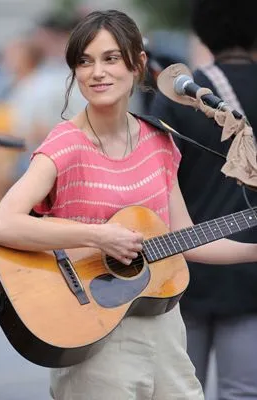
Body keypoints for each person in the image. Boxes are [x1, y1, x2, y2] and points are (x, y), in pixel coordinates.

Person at [0, 9, 257, 400]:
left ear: (138, 64)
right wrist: (100, 237)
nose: (97, 72)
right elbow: (3, 224)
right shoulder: (65, 145)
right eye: (85, 61)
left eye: (111, 58)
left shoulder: (159, 141)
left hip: (165, 332)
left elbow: (186, 238)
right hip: (92, 335)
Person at [150, 0, 257, 398]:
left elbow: (157, 181)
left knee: (179, 389)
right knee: (243, 391)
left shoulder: (178, 94)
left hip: (184, 263)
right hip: (250, 268)